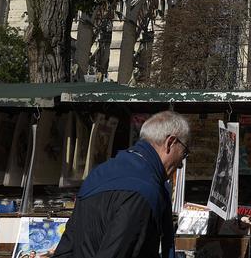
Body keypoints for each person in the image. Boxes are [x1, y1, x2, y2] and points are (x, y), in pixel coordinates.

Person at [53, 110, 190, 258]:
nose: (181, 164)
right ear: (170, 143)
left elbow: (66, 248)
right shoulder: (144, 191)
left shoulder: (98, 174)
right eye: (184, 153)